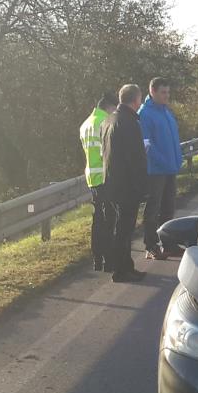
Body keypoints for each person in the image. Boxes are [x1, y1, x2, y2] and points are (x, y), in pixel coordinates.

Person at [101, 84, 149, 283]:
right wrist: (142, 186)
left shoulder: (108, 120)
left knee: (122, 227)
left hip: (112, 182)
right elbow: (135, 158)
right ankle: (121, 270)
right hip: (127, 184)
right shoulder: (129, 122)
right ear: (136, 100)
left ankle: (125, 266)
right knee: (124, 229)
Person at [137, 76, 184, 259]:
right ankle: (150, 245)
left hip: (170, 168)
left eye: (168, 92)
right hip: (155, 171)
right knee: (153, 209)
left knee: (168, 207)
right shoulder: (145, 114)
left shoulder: (166, 112)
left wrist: (176, 160)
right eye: (163, 92)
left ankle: (168, 244)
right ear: (152, 91)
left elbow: (172, 140)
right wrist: (163, 161)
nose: (167, 96)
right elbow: (146, 145)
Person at [79, 91, 118, 271]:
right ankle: (109, 259)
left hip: (92, 177)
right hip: (105, 176)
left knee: (97, 219)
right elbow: (108, 153)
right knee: (109, 219)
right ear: (110, 107)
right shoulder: (105, 122)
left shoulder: (86, 124)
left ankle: (97, 257)